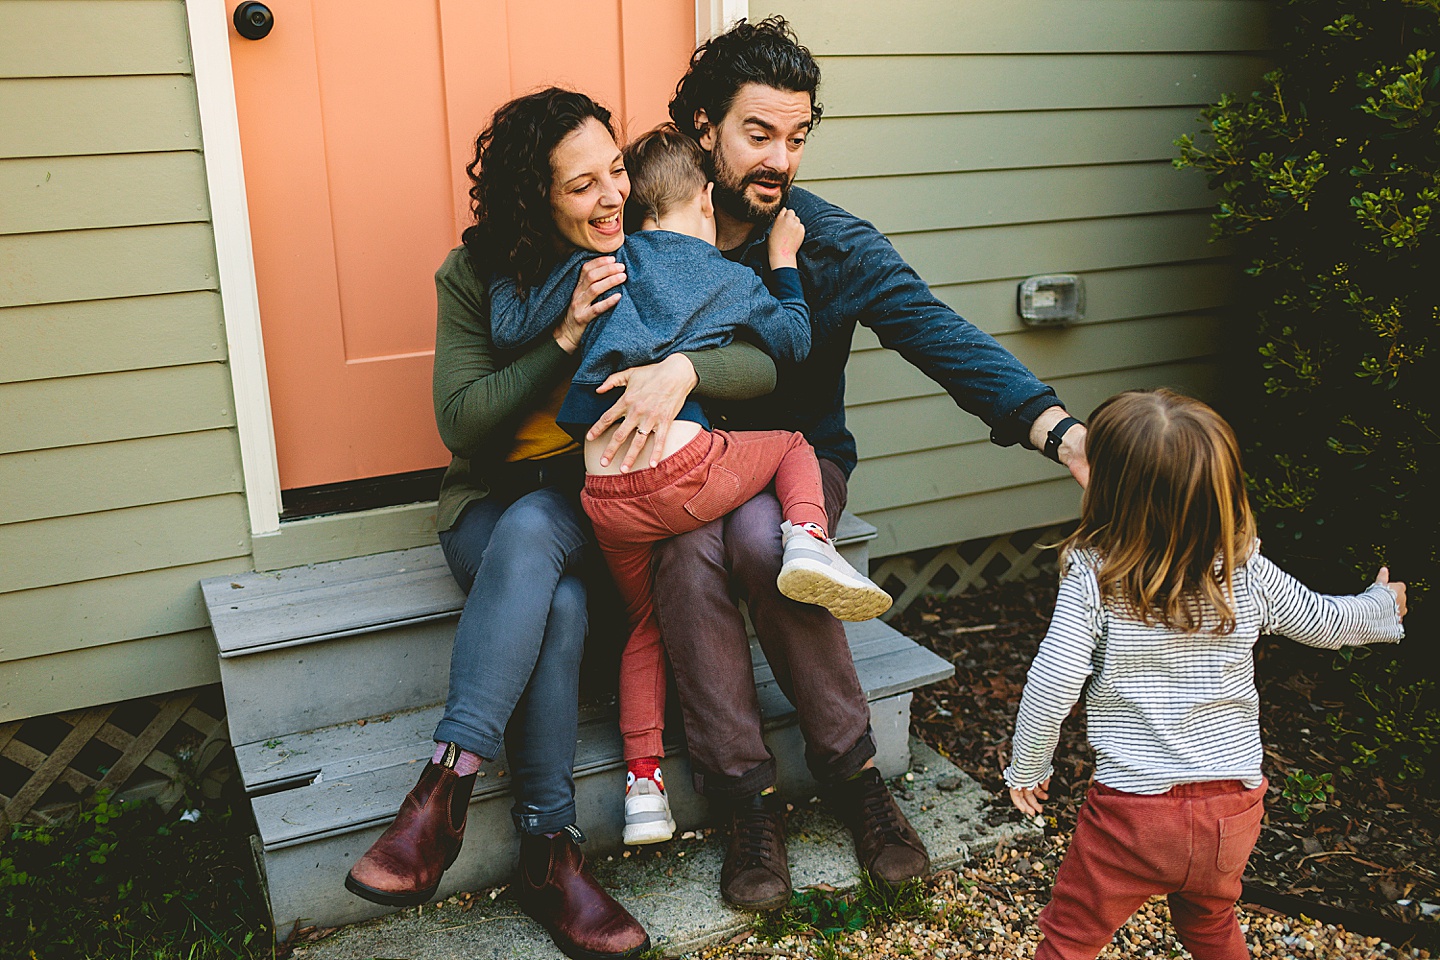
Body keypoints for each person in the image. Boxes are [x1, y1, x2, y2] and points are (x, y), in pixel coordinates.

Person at [562, 17, 1090, 911]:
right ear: (700, 127)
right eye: (758, 134)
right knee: (690, 561)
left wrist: (1059, 431)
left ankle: (854, 780)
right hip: (681, 473)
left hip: (795, 468)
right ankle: (746, 804)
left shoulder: (827, 244)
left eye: (797, 137)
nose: (781, 159)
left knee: (767, 543)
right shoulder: (643, 239)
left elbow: (937, 334)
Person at [343, 88, 781, 960]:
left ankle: (446, 786)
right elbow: (462, 424)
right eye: (582, 186)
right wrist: (563, 337)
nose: (613, 195)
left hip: (593, 499)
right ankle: (550, 855)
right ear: (534, 200)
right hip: (494, 502)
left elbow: (761, 366)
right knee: (562, 605)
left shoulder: (649, 256)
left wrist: (684, 371)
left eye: (616, 170)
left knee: (543, 530)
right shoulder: (476, 279)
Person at [488, 125, 891, 846]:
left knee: (645, 623)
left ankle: (645, 786)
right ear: (705, 198)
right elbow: (794, 340)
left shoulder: (602, 264)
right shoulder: (725, 274)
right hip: (679, 470)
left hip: (602, 495)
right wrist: (782, 262)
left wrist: (567, 317)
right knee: (791, 445)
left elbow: (507, 324)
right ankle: (806, 537)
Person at [1003, 389, 1406, 960]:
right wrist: (1384, 605)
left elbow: (1053, 681)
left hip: (1132, 816)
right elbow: (1329, 621)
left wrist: (1028, 766)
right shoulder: (1246, 571)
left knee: (1070, 938)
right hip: (1233, 810)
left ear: (1110, 490)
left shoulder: (1095, 575)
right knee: (1210, 922)